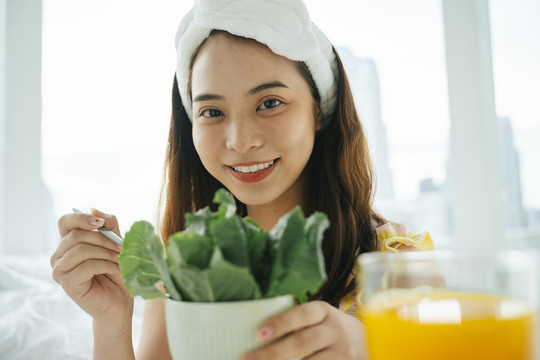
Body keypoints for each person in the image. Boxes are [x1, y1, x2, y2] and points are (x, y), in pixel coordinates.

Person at [50, 0, 432, 359]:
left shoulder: (399, 268)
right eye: (212, 111)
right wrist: (111, 322)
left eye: (269, 103)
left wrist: (372, 349)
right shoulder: (183, 275)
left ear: (318, 110)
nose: (240, 141)